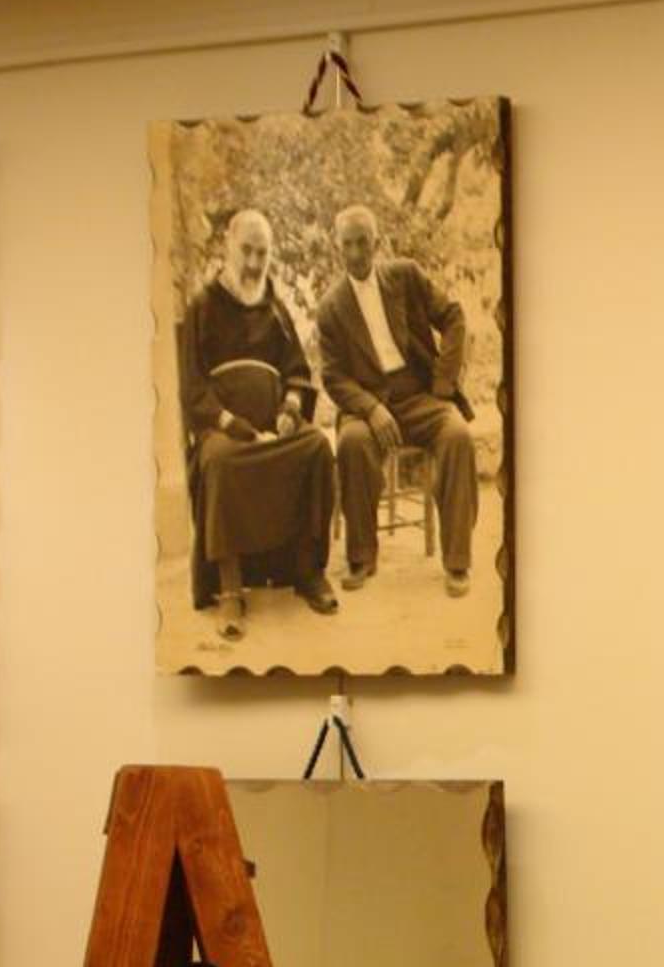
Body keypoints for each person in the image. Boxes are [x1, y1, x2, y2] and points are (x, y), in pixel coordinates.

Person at [177, 209, 339, 640]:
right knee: (221, 462)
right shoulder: (203, 306)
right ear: (228, 247)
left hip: (272, 428)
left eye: (262, 253)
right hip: (223, 430)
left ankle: (307, 570)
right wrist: (229, 422)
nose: (253, 263)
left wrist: (290, 408)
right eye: (246, 250)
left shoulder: (275, 307)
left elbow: (297, 370)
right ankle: (230, 589)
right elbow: (192, 387)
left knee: (316, 447)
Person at [312, 204, 478, 597]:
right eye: (348, 245)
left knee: (457, 437)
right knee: (352, 443)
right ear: (338, 247)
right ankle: (361, 557)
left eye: (363, 243)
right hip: (365, 403)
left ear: (377, 243)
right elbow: (333, 376)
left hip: (418, 394)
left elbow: (454, 317)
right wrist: (371, 408)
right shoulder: (331, 308)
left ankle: (457, 562)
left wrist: (443, 382)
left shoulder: (405, 276)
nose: (356, 254)